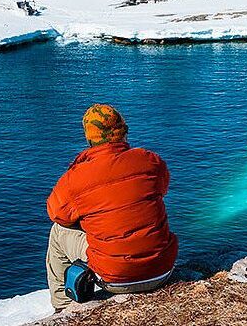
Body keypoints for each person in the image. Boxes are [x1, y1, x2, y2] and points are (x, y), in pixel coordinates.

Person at [45, 104, 178, 310]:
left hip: (115, 280)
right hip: (162, 270)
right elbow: (162, 188)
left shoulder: (76, 177)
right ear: (124, 131)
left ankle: (63, 307)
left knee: (58, 231)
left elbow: (57, 214)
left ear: (89, 138)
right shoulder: (150, 160)